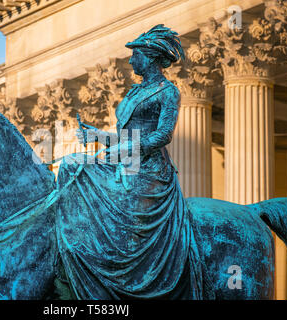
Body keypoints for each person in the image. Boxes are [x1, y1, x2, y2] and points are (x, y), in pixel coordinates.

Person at [55, 24, 208, 299]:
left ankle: (112, 263)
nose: (130, 60)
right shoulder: (133, 93)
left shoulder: (167, 92)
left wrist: (128, 147)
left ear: (149, 56)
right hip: (126, 160)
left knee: (88, 178)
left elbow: (163, 135)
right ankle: (72, 249)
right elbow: (123, 136)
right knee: (70, 165)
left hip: (149, 168)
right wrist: (97, 135)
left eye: (134, 54)